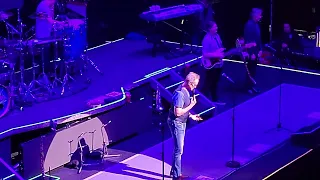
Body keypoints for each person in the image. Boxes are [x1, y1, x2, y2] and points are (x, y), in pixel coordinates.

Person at [167, 72, 203, 180]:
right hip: (177, 123)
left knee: (178, 149)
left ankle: (174, 171)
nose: (195, 87)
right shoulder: (180, 94)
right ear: (189, 83)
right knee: (179, 150)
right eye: (194, 85)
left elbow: (183, 108)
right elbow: (177, 112)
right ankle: (176, 176)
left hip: (181, 122)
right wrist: (192, 105)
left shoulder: (187, 90)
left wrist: (191, 116)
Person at [201, 21, 225, 103]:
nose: (216, 28)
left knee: (215, 81)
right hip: (211, 64)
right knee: (210, 82)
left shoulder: (217, 36)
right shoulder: (206, 39)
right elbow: (205, 54)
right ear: (209, 29)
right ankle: (208, 99)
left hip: (218, 63)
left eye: (216, 26)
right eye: (214, 27)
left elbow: (219, 47)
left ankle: (213, 99)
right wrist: (216, 55)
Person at [243, 8, 263, 94]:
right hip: (252, 51)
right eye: (259, 15)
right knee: (250, 69)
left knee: (253, 69)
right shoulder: (249, 25)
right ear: (255, 15)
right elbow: (248, 40)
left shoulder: (256, 25)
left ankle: (251, 86)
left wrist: (260, 49)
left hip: (256, 50)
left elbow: (258, 39)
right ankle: (248, 87)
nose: (260, 16)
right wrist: (251, 53)